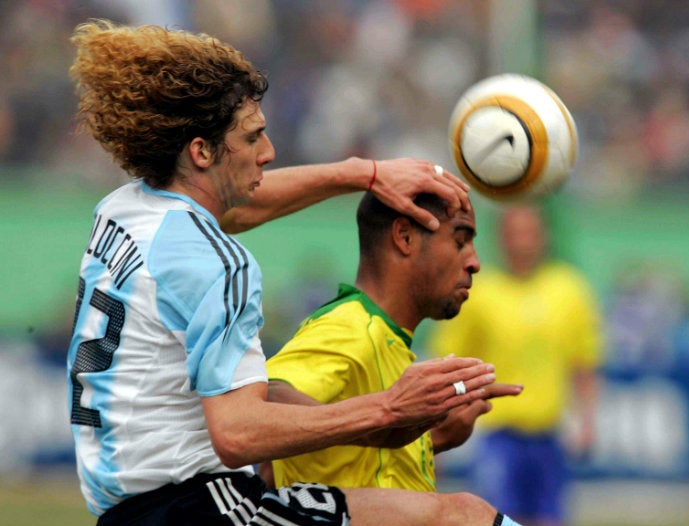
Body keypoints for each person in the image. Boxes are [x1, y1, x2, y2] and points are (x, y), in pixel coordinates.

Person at [66, 19, 525, 526]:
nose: (269, 152)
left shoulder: (123, 211)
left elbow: (237, 208)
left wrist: (365, 173)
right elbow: (239, 435)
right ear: (201, 151)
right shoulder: (220, 263)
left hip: (127, 510)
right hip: (201, 510)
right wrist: (389, 410)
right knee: (461, 518)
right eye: (254, 137)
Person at [263, 192, 523, 490]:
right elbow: (270, 396)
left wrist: (429, 438)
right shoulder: (352, 326)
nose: (475, 262)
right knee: (471, 514)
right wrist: (386, 413)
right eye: (460, 241)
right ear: (405, 237)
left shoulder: (390, 341)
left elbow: (284, 467)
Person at [428, 205, 603, 526]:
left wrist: (588, 421)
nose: (523, 242)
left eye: (530, 232)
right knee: (500, 518)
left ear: (544, 236)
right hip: (498, 434)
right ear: (501, 238)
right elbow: (447, 362)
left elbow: (584, 362)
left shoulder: (569, 289)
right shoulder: (477, 291)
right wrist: (437, 425)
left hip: (550, 435)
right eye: (515, 233)